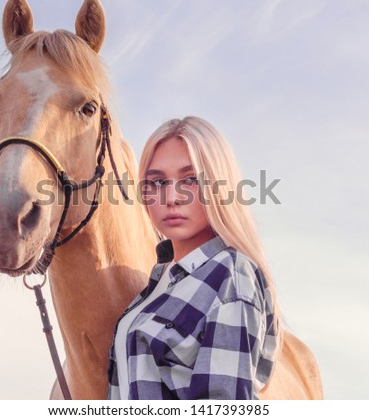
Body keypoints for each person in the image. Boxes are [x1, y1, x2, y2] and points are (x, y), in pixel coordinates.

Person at [107, 116, 280, 400]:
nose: (172, 197)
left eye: (190, 180)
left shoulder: (231, 277)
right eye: (158, 181)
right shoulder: (160, 280)